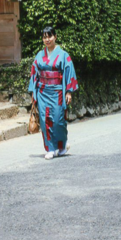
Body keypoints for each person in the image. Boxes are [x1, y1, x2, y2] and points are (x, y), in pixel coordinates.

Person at [28, 27, 78, 160]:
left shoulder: (63, 55)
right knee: (45, 121)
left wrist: (68, 92)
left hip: (57, 91)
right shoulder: (39, 55)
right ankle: (50, 148)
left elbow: (69, 73)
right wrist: (34, 91)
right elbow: (34, 73)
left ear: (55, 36)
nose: (47, 40)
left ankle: (62, 145)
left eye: (49, 36)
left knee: (58, 120)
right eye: (44, 37)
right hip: (43, 91)